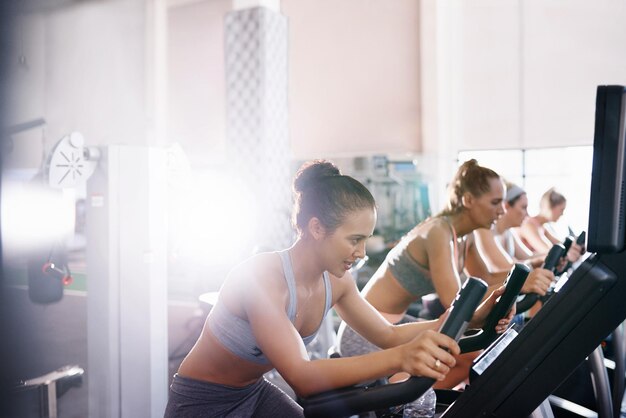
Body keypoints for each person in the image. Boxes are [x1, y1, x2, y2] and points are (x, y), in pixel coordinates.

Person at [164, 160, 510, 417]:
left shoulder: (337, 280)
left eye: (365, 241)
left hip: (253, 392)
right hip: (202, 401)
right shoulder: (263, 278)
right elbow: (302, 376)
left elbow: (388, 334)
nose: (360, 253)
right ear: (316, 228)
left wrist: (474, 319)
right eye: (354, 240)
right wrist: (402, 358)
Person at [338, 160, 554, 389]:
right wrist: (518, 285)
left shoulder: (465, 235)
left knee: (469, 357)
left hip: (397, 326)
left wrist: (527, 273)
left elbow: (488, 278)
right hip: (366, 334)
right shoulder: (438, 232)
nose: (502, 210)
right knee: (458, 360)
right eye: (495, 202)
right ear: (468, 200)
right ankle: (412, 407)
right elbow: (454, 303)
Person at [473, 181, 545, 272]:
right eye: (523, 207)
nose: (527, 214)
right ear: (506, 206)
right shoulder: (484, 230)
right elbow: (503, 267)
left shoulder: (508, 232)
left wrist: (552, 257)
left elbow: (529, 257)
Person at [517, 187, 583, 263]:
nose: (562, 214)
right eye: (561, 209)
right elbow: (548, 251)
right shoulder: (529, 224)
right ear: (550, 207)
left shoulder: (543, 227)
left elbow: (560, 244)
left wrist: (575, 246)